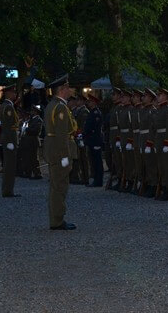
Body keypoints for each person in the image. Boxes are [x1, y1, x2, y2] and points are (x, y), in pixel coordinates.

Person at [43, 75, 77, 230]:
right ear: (62, 89)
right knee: (60, 186)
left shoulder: (53, 105)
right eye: (68, 87)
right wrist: (64, 156)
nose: (70, 90)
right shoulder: (61, 107)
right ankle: (57, 220)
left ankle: (55, 218)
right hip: (59, 151)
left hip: (53, 149)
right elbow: (62, 134)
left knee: (56, 185)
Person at [153, 88, 168, 201]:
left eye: (160, 95)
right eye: (158, 95)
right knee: (161, 166)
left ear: (165, 96)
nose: (158, 97)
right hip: (159, 140)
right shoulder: (159, 109)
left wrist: (167, 143)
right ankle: (164, 187)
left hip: (165, 141)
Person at [0, 84, 20, 197]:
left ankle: (7, 189)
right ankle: (8, 191)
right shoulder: (8, 107)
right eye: (13, 92)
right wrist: (11, 142)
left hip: (8, 138)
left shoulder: (6, 105)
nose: (15, 94)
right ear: (8, 93)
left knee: (9, 165)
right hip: (9, 138)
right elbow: (8, 125)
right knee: (10, 166)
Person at [84, 94, 104, 187]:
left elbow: (95, 128)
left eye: (90, 101)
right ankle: (96, 179)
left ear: (94, 103)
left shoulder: (96, 113)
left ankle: (98, 180)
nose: (88, 102)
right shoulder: (91, 112)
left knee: (97, 162)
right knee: (94, 161)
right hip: (92, 140)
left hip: (95, 140)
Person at [20, 105, 43, 179]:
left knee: (34, 158)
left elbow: (36, 131)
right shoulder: (31, 120)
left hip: (33, 140)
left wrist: (26, 129)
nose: (31, 112)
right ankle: (28, 172)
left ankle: (37, 173)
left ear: (36, 112)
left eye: (33, 111)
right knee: (28, 157)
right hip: (28, 141)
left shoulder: (38, 120)